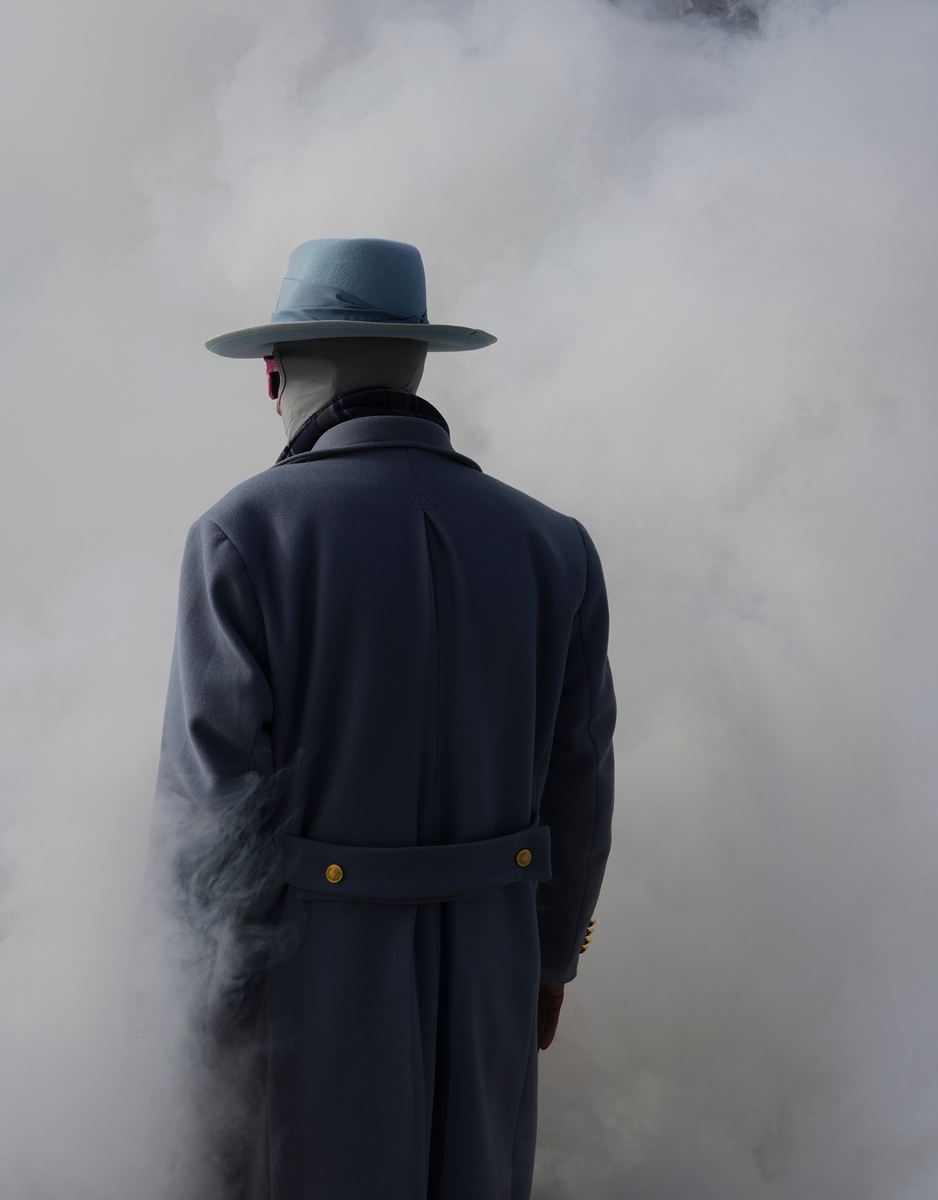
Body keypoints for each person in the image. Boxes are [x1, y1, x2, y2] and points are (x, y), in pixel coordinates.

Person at [154, 237, 615, 1199]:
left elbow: (209, 804)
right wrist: (551, 959)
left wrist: (166, 997)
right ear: (415, 366)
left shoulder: (244, 532)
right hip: (496, 957)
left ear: (285, 371)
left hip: (307, 972)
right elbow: (581, 782)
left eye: (269, 371)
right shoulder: (553, 543)